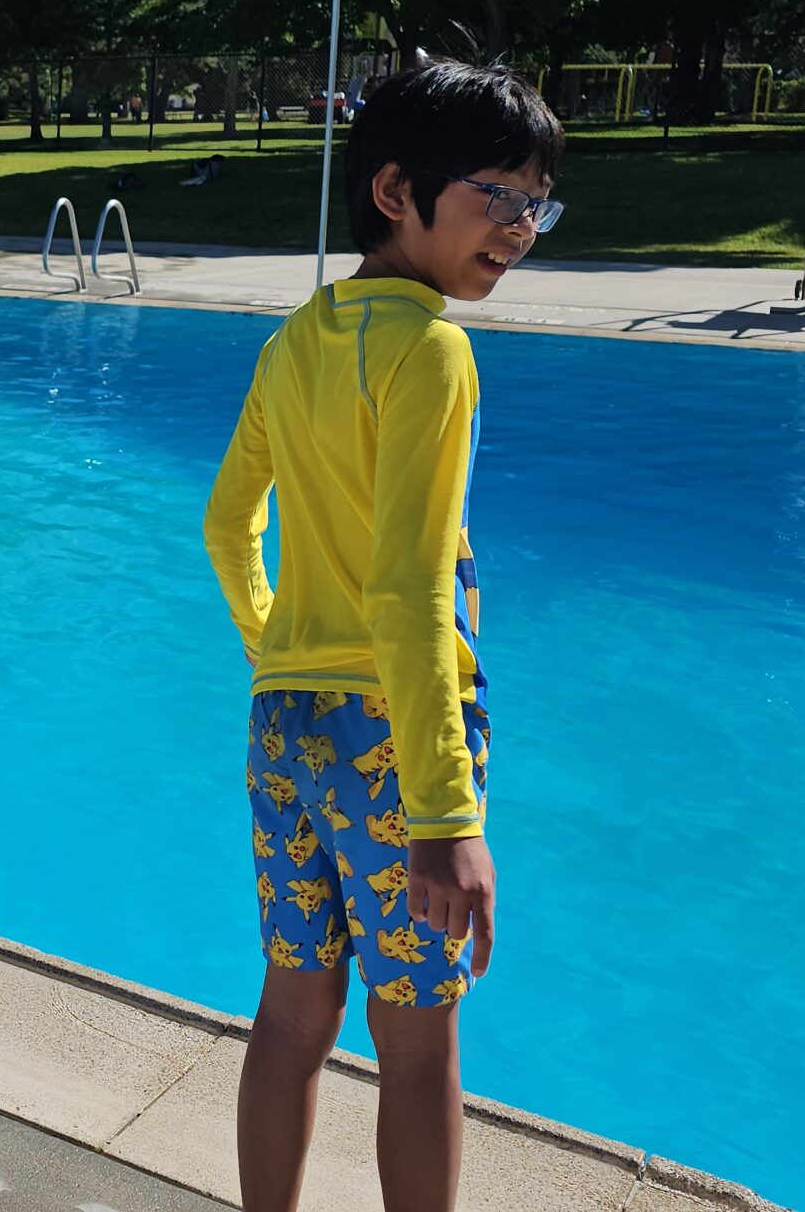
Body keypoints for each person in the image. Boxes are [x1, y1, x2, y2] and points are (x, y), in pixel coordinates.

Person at [203, 61, 563, 1212]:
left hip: (284, 726)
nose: (518, 228)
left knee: (291, 1009)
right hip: (393, 742)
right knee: (415, 1043)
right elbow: (410, 588)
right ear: (397, 188)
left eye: (535, 203)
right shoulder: (431, 349)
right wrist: (447, 815)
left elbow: (225, 524)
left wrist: (274, 644)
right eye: (496, 196)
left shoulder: (293, 342)